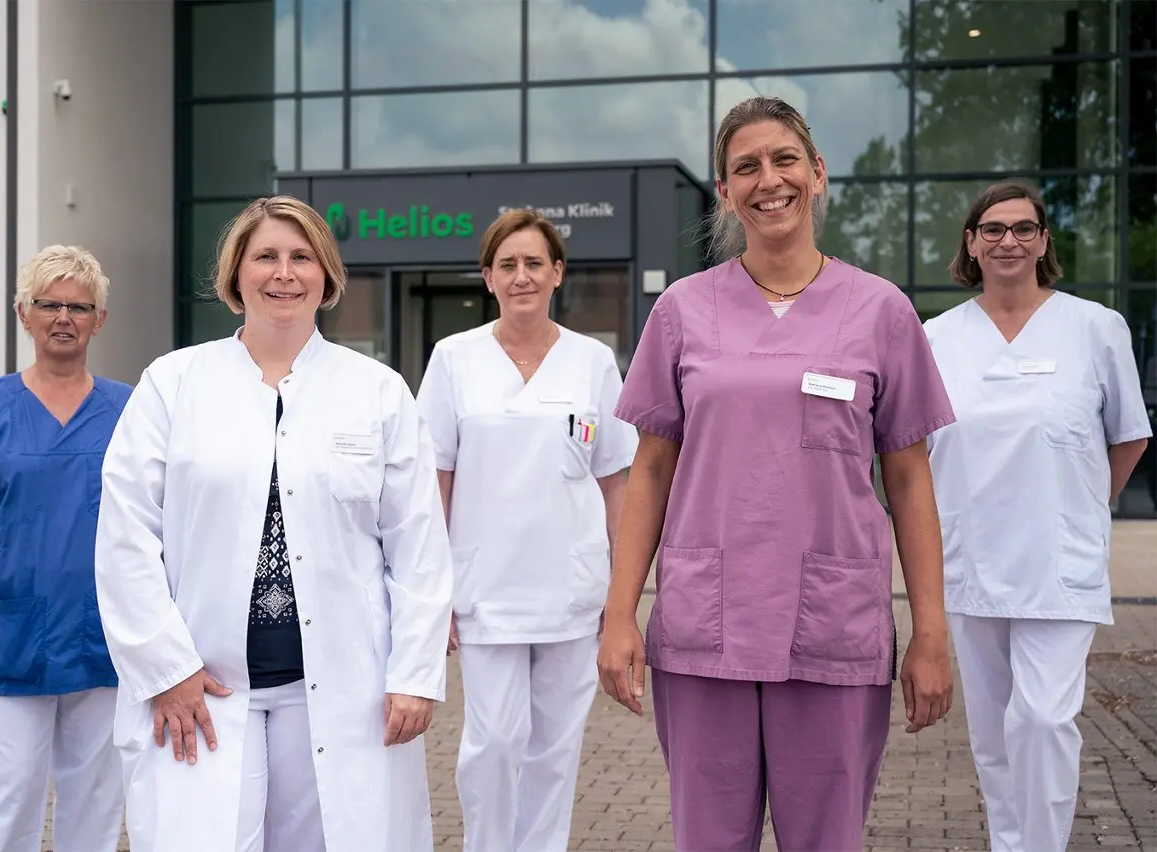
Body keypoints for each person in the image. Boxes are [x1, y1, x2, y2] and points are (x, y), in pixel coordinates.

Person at [596, 95, 957, 852]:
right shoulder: (682, 311)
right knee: (709, 838)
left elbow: (910, 481)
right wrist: (619, 613)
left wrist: (931, 631)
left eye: (785, 159)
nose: (769, 179)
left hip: (833, 624)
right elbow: (651, 470)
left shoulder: (882, 312)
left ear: (817, 172)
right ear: (725, 192)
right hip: (707, 625)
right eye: (746, 167)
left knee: (827, 839)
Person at [93, 195, 453, 852]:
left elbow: (418, 546)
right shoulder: (173, 383)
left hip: (344, 685)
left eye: (301, 257)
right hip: (203, 683)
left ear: (325, 274)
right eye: (265, 256)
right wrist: (163, 668)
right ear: (236, 273)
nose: (283, 273)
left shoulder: (376, 391)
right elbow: (125, 536)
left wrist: (414, 674)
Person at [923, 181, 1151, 852]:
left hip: (1058, 561)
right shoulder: (935, 338)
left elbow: (1130, 437)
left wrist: (1079, 506)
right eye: (993, 229)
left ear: (1045, 241)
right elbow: (914, 449)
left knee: (1044, 721)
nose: (1009, 241)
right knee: (993, 732)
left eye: (1024, 228)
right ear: (971, 243)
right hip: (971, 559)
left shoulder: (1095, 328)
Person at [415, 209, 638, 852]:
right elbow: (435, 480)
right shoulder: (454, 359)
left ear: (557, 272)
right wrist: (434, 592)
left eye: (534, 263)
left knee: (555, 749)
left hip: (573, 588)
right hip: (486, 587)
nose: (522, 276)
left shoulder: (592, 361)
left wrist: (622, 596)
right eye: (507, 264)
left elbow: (615, 482)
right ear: (488, 277)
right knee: (493, 742)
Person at [0, 245, 130, 852]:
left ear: (99, 320)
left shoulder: (130, 408)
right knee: (8, 788)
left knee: (97, 791)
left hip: (103, 629)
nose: (63, 318)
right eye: (48, 304)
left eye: (79, 307)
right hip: (9, 631)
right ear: (23, 314)